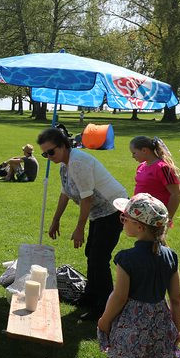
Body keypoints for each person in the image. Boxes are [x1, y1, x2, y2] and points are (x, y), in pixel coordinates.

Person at [98, 193, 180, 358]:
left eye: (125, 217)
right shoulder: (170, 256)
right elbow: (176, 299)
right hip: (161, 325)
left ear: (139, 226)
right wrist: (176, 329)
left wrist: (104, 321)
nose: (121, 220)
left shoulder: (127, 258)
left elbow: (119, 297)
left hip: (133, 326)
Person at [38, 126, 127, 320]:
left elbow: (87, 199)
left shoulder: (78, 162)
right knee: (91, 254)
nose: (49, 156)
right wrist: (55, 221)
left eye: (51, 151)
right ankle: (91, 296)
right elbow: (65, 193)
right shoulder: (64, 164)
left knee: (99, 258)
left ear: (63, 146)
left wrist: (80, 229)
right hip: (99, 213)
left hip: (112, 211)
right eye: (45, 154)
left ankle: (104, 307)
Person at [129, 136, 180, 227]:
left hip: (156, 216)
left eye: (134, 153)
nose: (132, 156)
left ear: (144, 150)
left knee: (154, 240)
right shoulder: (141, 166)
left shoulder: (162, 167)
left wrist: (168, 218)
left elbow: (176, 194)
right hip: (142, 214)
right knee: (146, 240)